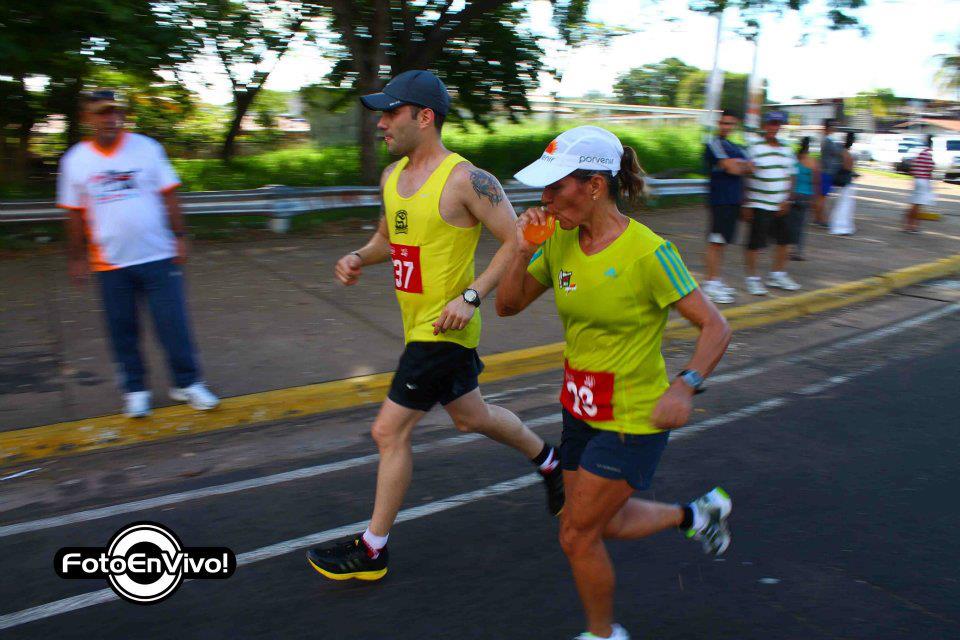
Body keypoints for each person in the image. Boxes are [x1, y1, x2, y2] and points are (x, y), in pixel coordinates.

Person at [306, 70, 564, 581]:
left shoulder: (466, 180)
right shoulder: (391, 177)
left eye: (391, 113)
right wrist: (358, 257)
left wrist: (472, 297)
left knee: (388, 431)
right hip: (418, 326)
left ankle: (373, 550)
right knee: (472, 417)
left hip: (442, 330)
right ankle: (551, 462)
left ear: (424, 117)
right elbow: (388, 240)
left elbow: (515, 240)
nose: (381, 123)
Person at [497, 125, 733, 640]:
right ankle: (697, 515)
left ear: (595, 186)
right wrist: (519, 248)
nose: (545, 199)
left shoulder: (648, 252)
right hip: (578, 409)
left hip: (633, 418)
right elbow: (507, 306)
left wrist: (685, 385)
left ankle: (604, 635)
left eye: (556, 187)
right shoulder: (559, 240)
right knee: (603, 523)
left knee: (575, 534)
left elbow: (716, 326)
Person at [56, 90, 219, 418]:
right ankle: (135, 390)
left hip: (158, 255)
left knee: (173, 325)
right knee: (123, 330)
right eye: (103, 113)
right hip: (110, 263)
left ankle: (187, 383)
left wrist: (181, 236)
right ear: (87, 118)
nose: (111, 118)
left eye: (116, 112)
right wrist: (76, 257)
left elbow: (170, 195)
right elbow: (73, 213)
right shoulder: (75, 160)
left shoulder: (147, 148)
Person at [742, 111, 801, 295]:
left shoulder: (786, 148)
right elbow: (745, 174)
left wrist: (788, 199)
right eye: (771, 123)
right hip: (759, 203)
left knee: (785, 241)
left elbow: (792, 175)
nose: (774, 127)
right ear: (764, 125)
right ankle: (752, 279)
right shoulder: (753, 147)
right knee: (755, 243)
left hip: (781, 204)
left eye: (777, 124)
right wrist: (745, 203)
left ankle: (777, 274)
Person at [702, 110, 753, 304]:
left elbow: (751, 167)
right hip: (720, 200)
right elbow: (732, 168)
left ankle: (716, 280)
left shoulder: (736, 146)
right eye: (723, 123)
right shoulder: (713, 143)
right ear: (719, 123)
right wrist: (738, 165)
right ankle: (710, 283)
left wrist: (737, 165)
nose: (726, 126)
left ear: (735, 125)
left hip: (734, 200)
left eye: (730, 123)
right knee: (715, 241)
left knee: (723, 242)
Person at [790, 136, 821, 260]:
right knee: (802, 226)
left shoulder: (794, 159)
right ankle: (798, 252)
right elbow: (816, 182)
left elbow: (790, 178)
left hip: (794, 195)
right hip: (807, 196)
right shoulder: (813, 162)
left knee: (792, 224)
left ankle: (788, 248)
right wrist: (815, 198)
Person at [903, 135, 936, 233]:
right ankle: (913, 227)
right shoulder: (928, 154)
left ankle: (908, 225)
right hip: (923, 180)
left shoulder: (920, 154)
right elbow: (930, 168)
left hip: (917, 179)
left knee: (914, 203)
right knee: (918, 205)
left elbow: (913, 168)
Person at [829, 132, 857, 236]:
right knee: (844, 204)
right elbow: (847, 167)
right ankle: (841, 227)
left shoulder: (842, 151)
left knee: (843, 204)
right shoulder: (846, 153)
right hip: (846, 181)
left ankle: (841, 226)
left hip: (844, 180)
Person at [815, 118, 841, 226]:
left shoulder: (826, 140)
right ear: (829, 128)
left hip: (825, 171)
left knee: (822, 197)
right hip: (826, 172)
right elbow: (837, 153)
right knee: (822, 197)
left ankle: (819, 218)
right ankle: (820, 219)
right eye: (833, 126)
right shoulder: (828, 141)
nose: (835, 128)